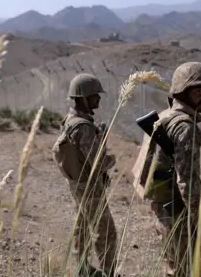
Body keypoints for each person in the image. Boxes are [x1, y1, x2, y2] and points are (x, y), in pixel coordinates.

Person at [131, 62, 201, 276]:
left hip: (167, 209)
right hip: (181, 214)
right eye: (197, 90)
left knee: (176, 268)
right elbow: (189, 183)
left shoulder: (165, 117)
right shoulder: (184, 127)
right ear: (183, 91)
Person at [52, 73, 118, 277]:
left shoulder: (71, 120)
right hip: (89, 185)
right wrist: (112, 160)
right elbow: (97, 162)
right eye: (94, 95)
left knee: (81, 226)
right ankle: (108, 272)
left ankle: (83, 269)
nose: (98, 98)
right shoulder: (83, 126)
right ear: (83, 98)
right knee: (106, 232)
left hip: (77, 183)